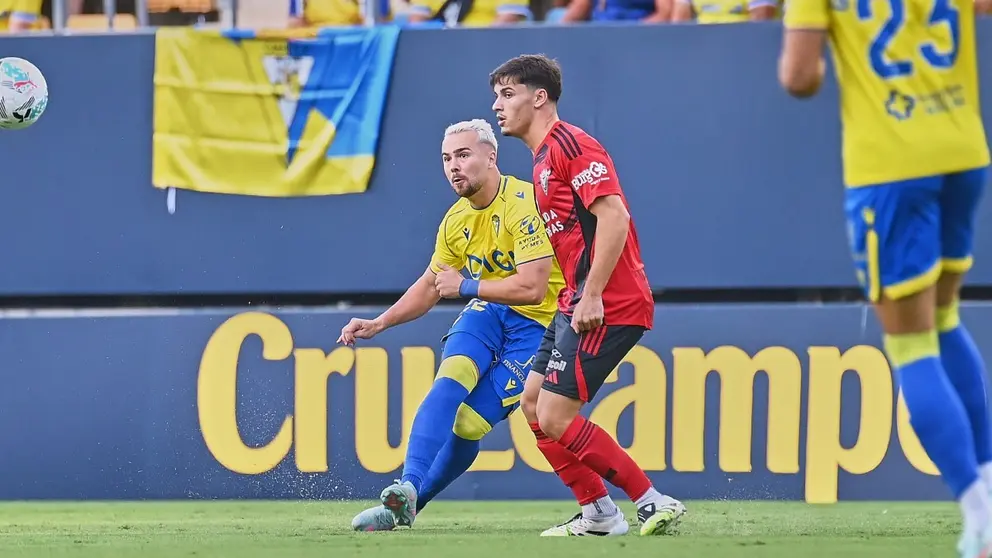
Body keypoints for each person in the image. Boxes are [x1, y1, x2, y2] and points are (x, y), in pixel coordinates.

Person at [342, 118, 626, 535]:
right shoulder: (456, 220)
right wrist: (380, 322)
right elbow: (430, 285)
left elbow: (531, 289)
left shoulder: (524, 203)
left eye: (463, 155)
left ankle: (413, 504)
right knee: (451, 376)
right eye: (446, 158)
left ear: (490, 157)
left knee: (469, 424)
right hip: (491, 312)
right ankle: (406, 487)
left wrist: (467, 285)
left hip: (540, 325)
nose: (453, 166)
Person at [778, 1, 992, 556]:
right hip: (963, 149)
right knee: (944, 318)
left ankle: (979, 515)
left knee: (912, 343)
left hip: (891, 164)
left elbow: (799, 77)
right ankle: (990, 491)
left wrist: (834, 61)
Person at [489, 53, 686, 537]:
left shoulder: (571, 144)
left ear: (540, 98)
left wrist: (593, 294)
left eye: (507, 94)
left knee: (555, 414)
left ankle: (652, 501)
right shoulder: (540, 160)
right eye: (496, 95)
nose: (497, 105)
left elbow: (614, 217)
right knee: (532, 403)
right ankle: (599, 514)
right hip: (574, 302)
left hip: (608, 303)